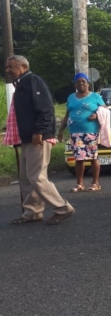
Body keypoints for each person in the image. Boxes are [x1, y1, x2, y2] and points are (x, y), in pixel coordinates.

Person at [7, 55, 76, 225]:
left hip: (38, 137)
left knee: (36, 176)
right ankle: (33, 211)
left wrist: (39, 131)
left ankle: (62, 208)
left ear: (23, 66)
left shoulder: (33, 82)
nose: (7, 70)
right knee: (26, 177)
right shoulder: (22, 83)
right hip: (27, 138)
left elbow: (45, 109)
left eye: (11, 67)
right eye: (7, 67)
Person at [57, 73, 106, 192]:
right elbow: (67, 114)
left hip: (90, 132)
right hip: (74, 132)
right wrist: (60, 130)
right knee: (78, 158)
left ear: (88, 83)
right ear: (75, 84)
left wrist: (96, 115)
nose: (81, 83)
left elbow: (105, 110)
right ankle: (79, 184)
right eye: (78, 82)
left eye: (83, 81)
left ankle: (95, 183)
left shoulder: (95, 97)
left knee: (93, 157)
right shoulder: (71, 97)